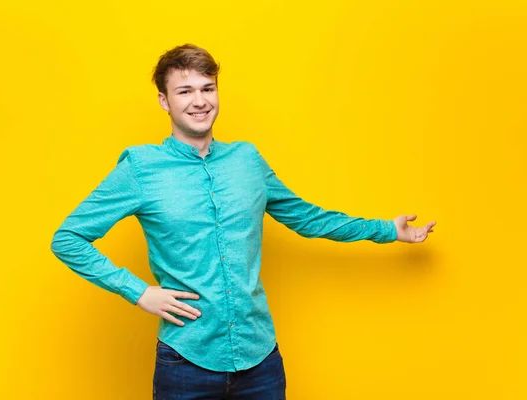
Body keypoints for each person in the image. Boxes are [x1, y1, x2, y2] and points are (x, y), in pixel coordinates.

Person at [50, 43, 436, 400]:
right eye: (185, 91)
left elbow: (305, 217)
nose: (200, 101)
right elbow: (68, 238)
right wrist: (138, 291)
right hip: (186, 360)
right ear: (164, 101)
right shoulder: (140, 167)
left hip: (261, 358)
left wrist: (387, 230)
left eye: (208, 88)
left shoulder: (247, 160)